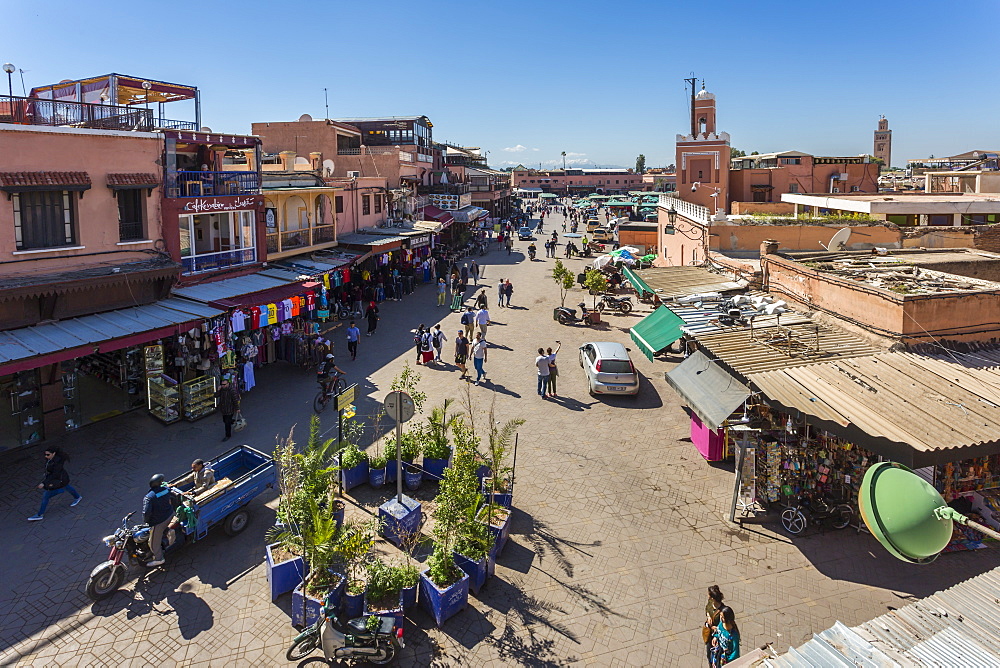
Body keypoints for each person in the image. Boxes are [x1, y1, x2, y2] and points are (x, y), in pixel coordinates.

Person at [28, 447, 82, 521]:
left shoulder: (57, 462)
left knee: (46, 495)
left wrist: (44, 483)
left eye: (48, 454)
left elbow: (55, 474)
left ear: (54, 454)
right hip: (59, 480)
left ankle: (40, 514)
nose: (46, 456)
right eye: (45, 454)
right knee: (67, 487)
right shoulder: (50, 459)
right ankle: (76, 497)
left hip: (59, 480)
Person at [143, 474, 174, 567]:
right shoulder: (165, 490)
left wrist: (147, 521)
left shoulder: (149, 497)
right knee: (162, 528)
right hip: (170, 515)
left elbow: (146, 513)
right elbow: (168, 490)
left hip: (159, 521)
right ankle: (168, 531)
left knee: (152, 543)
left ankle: (159, 559)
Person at [704, 585, 725, 664]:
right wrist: (709, 616)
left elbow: (724, 625)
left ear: (713, 598)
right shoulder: (710, 602)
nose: (707, 596)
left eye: (709, 594)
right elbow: (707, 608)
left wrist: (715, 628)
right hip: (710, 633)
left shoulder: (723, 611)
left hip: (717, 636)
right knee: (709, 654)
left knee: (716, 656)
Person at [216, 377, 240, 442]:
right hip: (223, 409)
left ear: (228, 384)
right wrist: (218, 390)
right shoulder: (221, 389)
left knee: (227, 423)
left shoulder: (232, 390)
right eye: (222, 384)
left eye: (224, 384)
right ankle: (233, 421)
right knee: (225, 420)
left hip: (230, 409)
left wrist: (237, 408)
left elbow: (235, 400)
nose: (223, 386)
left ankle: (228, 435)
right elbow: (215, 396)